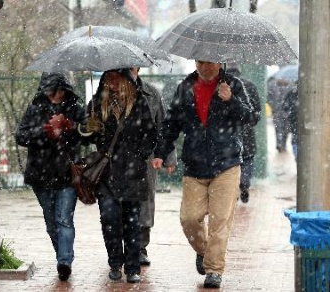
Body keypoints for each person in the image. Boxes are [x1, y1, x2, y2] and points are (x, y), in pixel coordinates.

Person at [151, 60, 253, 288]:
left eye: (210, 63)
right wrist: (161, 151)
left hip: (227, 163)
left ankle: (214, 270)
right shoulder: (185, 87)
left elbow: (250, 117)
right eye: (200, 63)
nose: (205, 67)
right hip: (195, 163)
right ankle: (204, 251)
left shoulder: (233, 84)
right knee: (189, 218)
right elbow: (171, 123)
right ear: (195, 62)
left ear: (219, 62)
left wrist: (231, 100)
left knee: (220, 220)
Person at [82, 69, 157, 283]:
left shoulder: (139, 102)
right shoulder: (97, 104)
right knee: (109, 218)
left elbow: (150, 134)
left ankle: (132, 267)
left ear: (125, 79)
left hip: (132, 173)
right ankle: (115, 263)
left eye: (117, 77)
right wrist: (88, 128)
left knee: (132, 222)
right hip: (107, 173)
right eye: (109, 77)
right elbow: (85, 138)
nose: (112, 82)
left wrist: (137, 154)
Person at [15, 72, 86, 281]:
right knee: (51, 222)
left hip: (67, 174)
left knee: (64, 219)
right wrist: (45, 132)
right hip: (41, 175)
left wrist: (69, 129)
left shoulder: (74, 109)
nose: (57, 96)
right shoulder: (35, 108)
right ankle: (62, 255)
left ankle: (64, 262)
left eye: (61, 91)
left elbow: (88, 134)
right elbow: (21, 136)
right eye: (53, 91)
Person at [129, 68, 177, 266]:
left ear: (138, 68)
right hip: (118, 158)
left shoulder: (151, 93)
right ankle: (120, 247)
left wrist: (168, 156)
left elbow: (163, 126)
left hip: (146, 157)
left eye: (132, 66)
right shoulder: (108, 92)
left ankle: (140, 246)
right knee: (119, 202)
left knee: (145, 201)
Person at [226, 65, 262, 203]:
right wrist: (250, 122)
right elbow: (256, 110)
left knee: (231, 162)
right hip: (246, 130)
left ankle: (234, 187)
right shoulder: (250, 85)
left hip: (228, 132)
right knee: (247, 158)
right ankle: (244, 184)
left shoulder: (222, 85)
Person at [283, 80, 299, 160]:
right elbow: (285, 106)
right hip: (294, 120)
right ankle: (296, 155)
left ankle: (296, 155)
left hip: (295, 120)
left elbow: (285, 106)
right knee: (295, 139)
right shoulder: (291, 93)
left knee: (295, 139)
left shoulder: (291, 93)